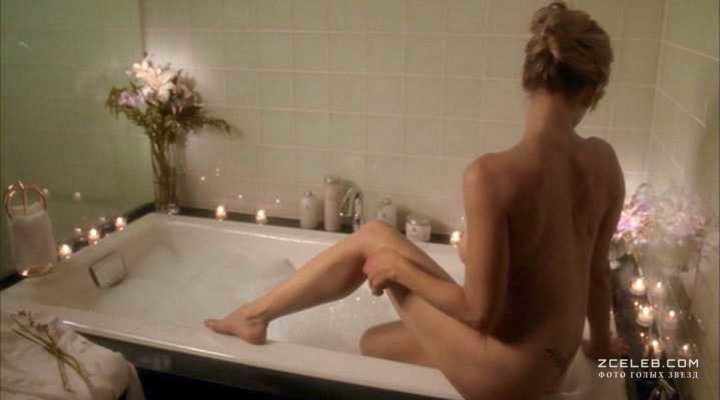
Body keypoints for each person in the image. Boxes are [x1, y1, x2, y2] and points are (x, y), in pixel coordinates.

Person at [205, 2, 626, 398]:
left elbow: (478, 314)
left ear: (527, 81)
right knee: (374, 343)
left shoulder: (493, 175)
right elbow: (596, 272)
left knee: (375, 242)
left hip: (506, 376)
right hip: (550, 363)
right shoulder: (604, 161)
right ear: (592, 92)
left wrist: (399, 269)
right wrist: (602, 347)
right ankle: (258, 316)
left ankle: (254, 317)